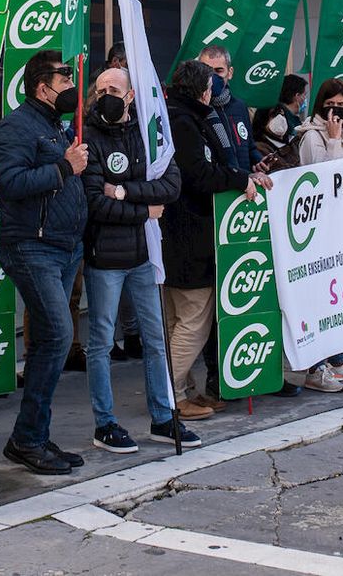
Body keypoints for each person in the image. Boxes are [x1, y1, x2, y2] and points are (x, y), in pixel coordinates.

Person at [80, 67, 197, 452]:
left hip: (144, 255)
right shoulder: (89, 137)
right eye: (101, 89)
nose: (107, 94)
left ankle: (163, 418)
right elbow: (95, 201)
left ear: (131, 95)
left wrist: (124, 192)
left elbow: (171, 185)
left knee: (155, 339)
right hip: (105, 258)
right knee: (99, 342)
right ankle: (105, 423)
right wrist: (144, 211)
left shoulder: (148, 133)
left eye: (114, 88)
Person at [0, 50, 89, 475]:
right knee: (58, 337)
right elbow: (9, 184)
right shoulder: (17, 127)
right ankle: (26, 439)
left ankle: (35, 435)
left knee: (51, 340)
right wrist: (65, 169)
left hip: (64, 247)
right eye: (66, 81)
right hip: (33, 246)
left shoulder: (54, 124)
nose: (72, 88)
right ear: (42, 87)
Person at [161, 59, 261, 420]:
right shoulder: (183, 122)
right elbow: (199, 176)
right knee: (193, 319)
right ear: (202, 91)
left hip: (176, 233)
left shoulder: (174, 115)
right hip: (188, 233)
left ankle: (180, 392)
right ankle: (169, 395)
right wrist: (237, 179)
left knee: (176, 319)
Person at [286, 79, 343, 390]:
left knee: (336, 301)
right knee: (319, 301)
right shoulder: (313, 136)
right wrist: (334, 141)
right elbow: (322, 178)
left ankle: (337, 359)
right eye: (330, 105)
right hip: (320, 232)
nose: (336, 111)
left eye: (342, 106)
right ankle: (316, 368)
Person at [198, 45, 262, 171]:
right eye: (207, 71)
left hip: (245, 185)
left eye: (219, 71)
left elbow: (249, 146)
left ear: (230, 73)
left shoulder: (239, 106)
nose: (212, 77)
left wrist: (259, 160)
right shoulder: (196, 109)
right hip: (218, 186)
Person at [253, 73, 308, 156]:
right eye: (304, 95)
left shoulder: (296, 125)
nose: (281, 120)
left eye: (282, 114)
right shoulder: (261, 148)